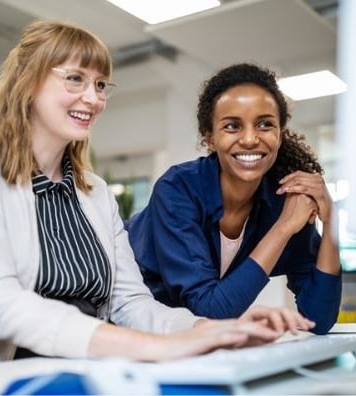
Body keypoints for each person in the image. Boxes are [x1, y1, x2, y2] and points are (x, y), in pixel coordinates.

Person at [0, 23, 315, 366]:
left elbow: (129, 304)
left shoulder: (95, 193)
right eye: (75, 79)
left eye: (101, 84)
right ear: (28, 82)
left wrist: (216, 330)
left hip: (90, 361)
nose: (93, 98)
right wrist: (150, 348)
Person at [126, 63, 341, 334]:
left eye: (265, 124)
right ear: (211, 139)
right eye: (232, 126)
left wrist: (331, 218)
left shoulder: (282, 199)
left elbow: (318, 319)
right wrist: (283, 228)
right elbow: (210, 311)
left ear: (279, 134)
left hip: (184, 335)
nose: (250, 139)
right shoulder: (178, 188)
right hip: (121, 317)